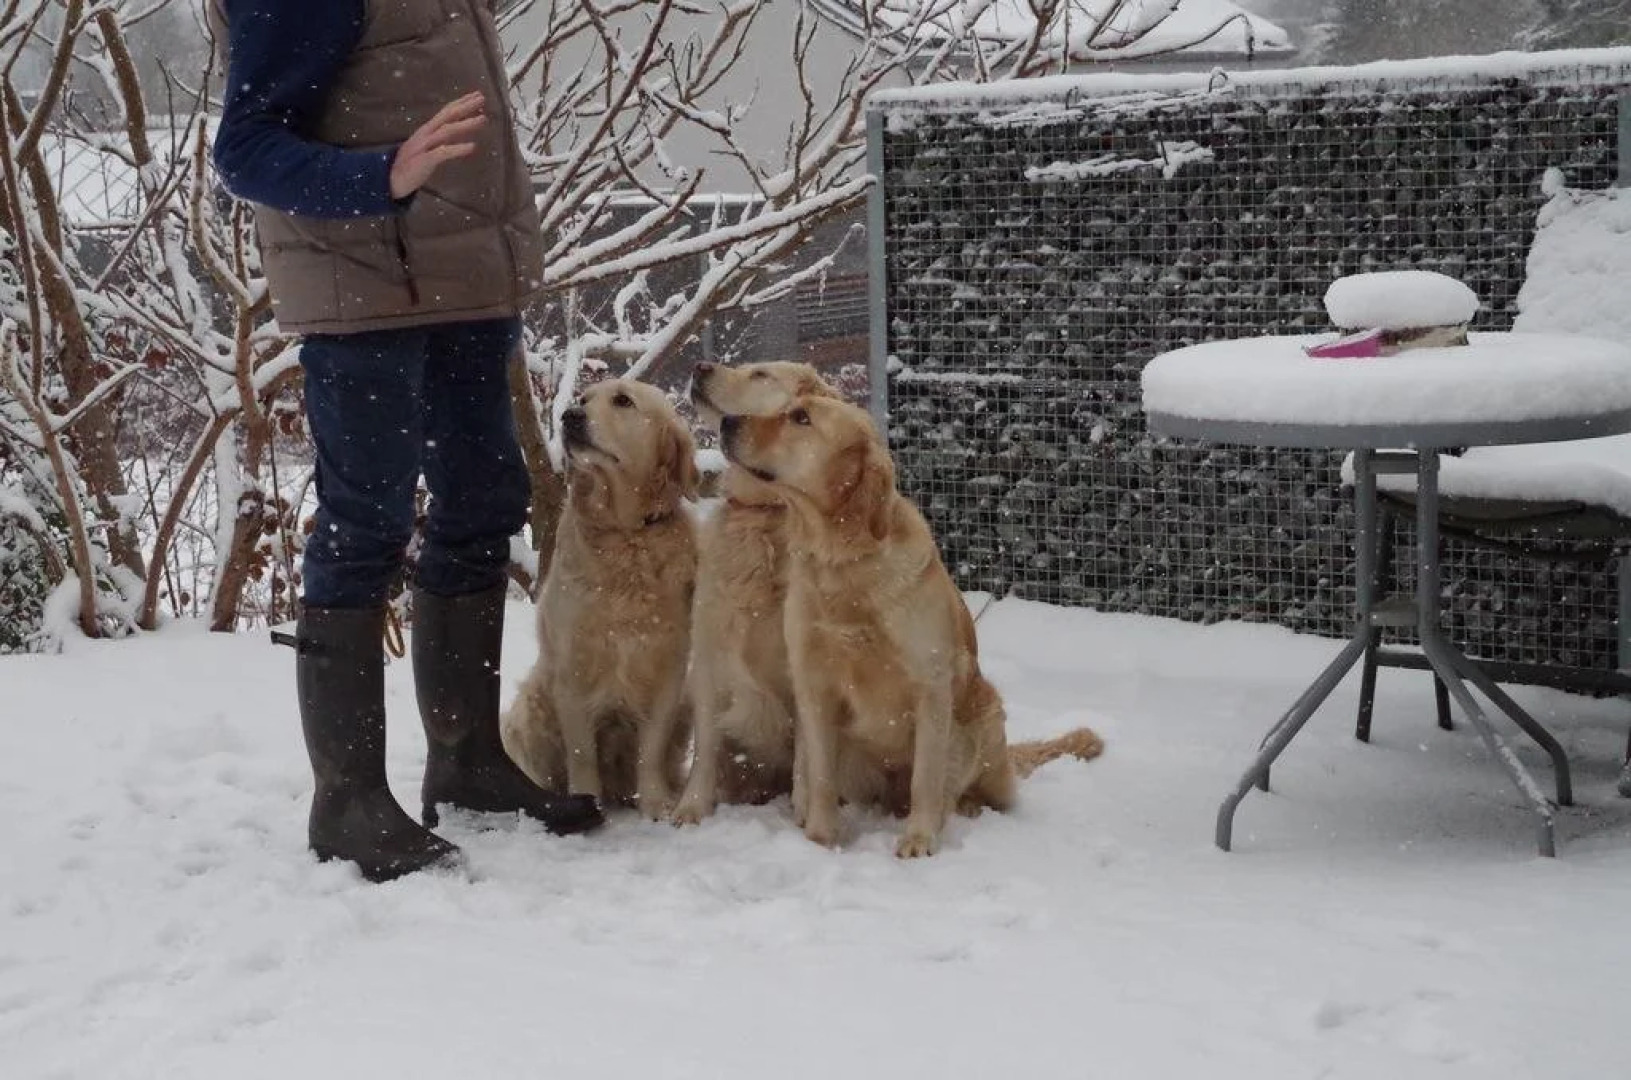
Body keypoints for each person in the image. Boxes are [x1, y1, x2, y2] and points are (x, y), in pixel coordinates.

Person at [208, 0, 604, 883]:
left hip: (463, 283)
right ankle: (346, 802)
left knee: (483, 504)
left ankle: (467, 766)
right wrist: (381, 176)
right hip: (362, 291)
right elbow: (244, 149)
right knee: (367, 524)